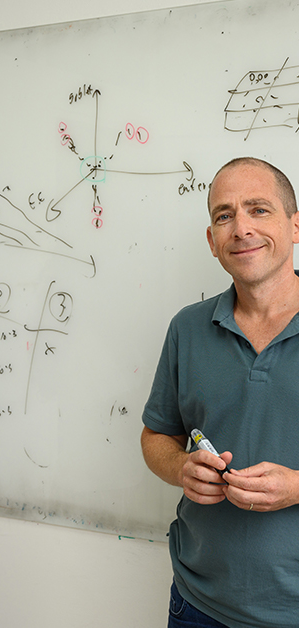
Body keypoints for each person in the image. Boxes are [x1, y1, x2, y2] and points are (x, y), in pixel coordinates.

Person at [141, 157, 299, 628]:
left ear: (296, 226)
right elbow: (156, 437)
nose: (241, 228)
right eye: (224, 215)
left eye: (259, 209)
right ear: (212, 241)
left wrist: (296, 486)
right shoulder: (186, 328)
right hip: (198, 606)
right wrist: (180, 468)